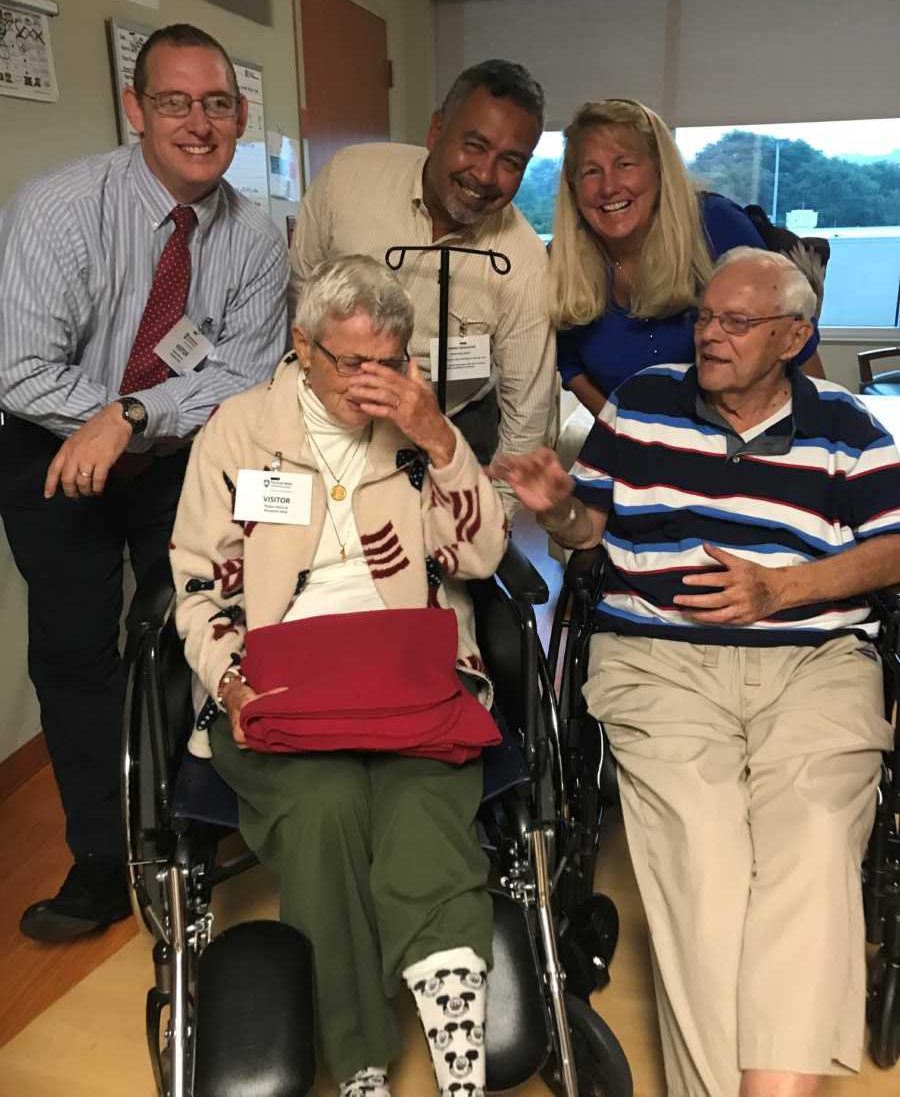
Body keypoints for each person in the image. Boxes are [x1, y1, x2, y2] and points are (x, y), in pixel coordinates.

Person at [495, 248, 900, 1097]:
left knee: (817, 839)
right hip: (660, 660)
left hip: (813, 660)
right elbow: (588, 530)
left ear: (795, 336)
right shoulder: (645, 405)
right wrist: (559, 507)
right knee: (705, 869)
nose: (711, 335)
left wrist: (782, 587)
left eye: (737, 322)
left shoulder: (850, 427)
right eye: (705, 317)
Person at [170, 255, 506, 1097]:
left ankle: (456, 1028)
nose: (373, 382)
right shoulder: (241, 429)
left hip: (411, 663)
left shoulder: (426, 429)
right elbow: (199, 583)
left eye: (389, 361)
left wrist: (437, 433)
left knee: (418, 793)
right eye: (351, 361)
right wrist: (233, 682)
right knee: (323, 805)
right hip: (279, 673)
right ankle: (358, 1056)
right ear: (301, 346)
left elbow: (482, 554)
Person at [0, 23, 290, 941]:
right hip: (48, 445)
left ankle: (192, 827)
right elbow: (17, 366)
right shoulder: (57, 208)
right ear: (136, 108)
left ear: (240, 116)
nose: (197, 123)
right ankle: (98, 858)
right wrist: (103, 417)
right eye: (174, 101)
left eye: (216, 104)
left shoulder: (256, 238)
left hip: (176, 454)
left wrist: (131, 416)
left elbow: (244, 376)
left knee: (196, 623)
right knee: (76, 649)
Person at [291, 59, 556, 511]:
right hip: (332, 415)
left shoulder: (524, 263)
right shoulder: (347, 181)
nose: (485, 175)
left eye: (510, 161)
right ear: (436, 131)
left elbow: (526, 417)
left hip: (452, 424)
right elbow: (302, 295)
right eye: (474, 145)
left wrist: (493, 523)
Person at [551, 99, 825, 421]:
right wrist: (621, 432)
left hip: (743, 443)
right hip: (638, 454)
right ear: (573, 187)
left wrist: (818, 434)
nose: (609, 187)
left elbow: (796, 343)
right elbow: (570, 367)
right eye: (591, 171)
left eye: (624, 165)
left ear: (659, 170)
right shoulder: (562, 262)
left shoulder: (716, 225)